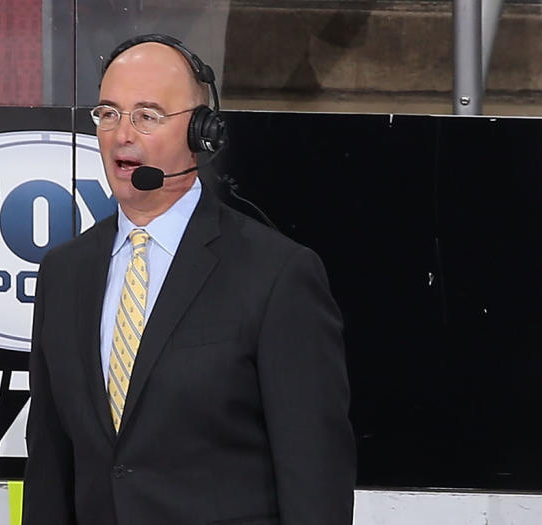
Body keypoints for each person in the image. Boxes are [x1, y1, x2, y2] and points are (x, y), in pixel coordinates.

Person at [23, 34, 355, 525]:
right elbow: (50, 464)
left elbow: (314, 475)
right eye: (109, 113)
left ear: (203, 135)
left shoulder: (277, 275)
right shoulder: (64, 273)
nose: (121, 135)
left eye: (147, 116)